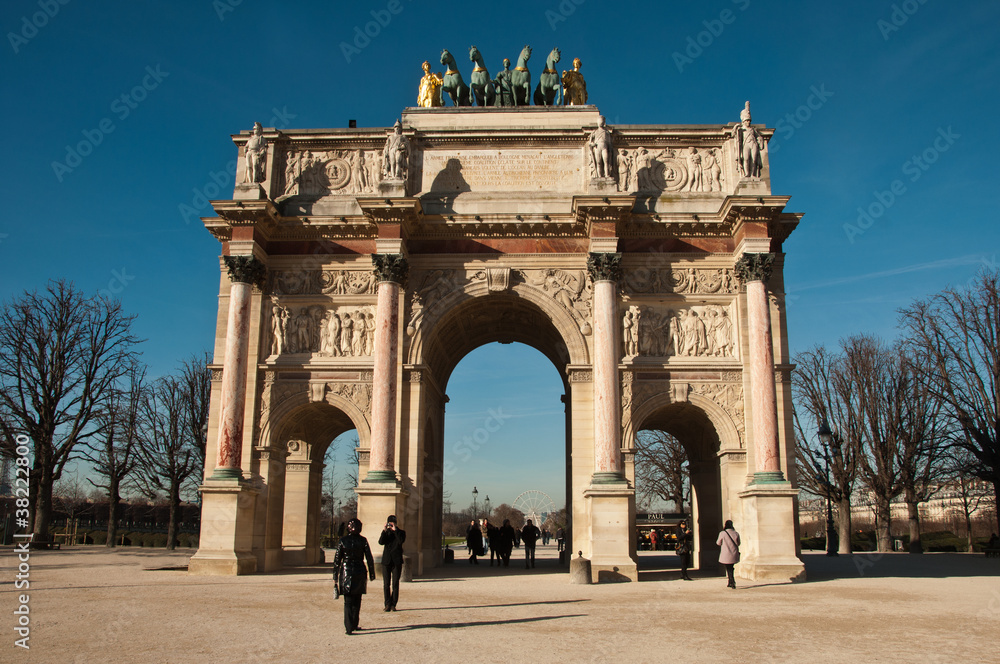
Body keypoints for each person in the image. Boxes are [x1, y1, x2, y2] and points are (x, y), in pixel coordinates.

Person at [333, 518, 375, 635]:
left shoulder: (343, 541)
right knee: (357, 600)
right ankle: (354, 623)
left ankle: (348, 626)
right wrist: (372, 573)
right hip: (359, 570)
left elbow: (337, 560)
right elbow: (369, 558)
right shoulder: (363, 540)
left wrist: (335, 575)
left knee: (348, 601)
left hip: (347, 571)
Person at [377, 515, 405, 612]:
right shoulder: (386, 533)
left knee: (395, 584)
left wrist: (395, 530)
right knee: (386, 584)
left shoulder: (401, 533)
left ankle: (393, 604)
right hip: (387, 561)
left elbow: (401, 541)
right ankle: (387, 603)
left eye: (393, 522)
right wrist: (384, 530)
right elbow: (380, 542)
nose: (391, 524)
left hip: (396, 561)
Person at [717, 519, 741, 589]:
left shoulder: (722, 533)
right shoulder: (736, 533)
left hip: (726, 553)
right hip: (734, 553)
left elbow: (718, 543)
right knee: (731, 567)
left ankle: (731, 581)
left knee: (728, 568)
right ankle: (731, 581)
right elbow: (738, 543)